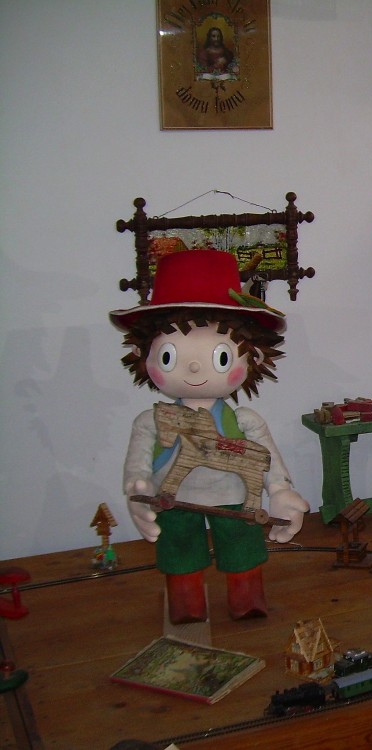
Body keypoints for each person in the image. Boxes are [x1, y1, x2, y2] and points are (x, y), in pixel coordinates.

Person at [109, 250, 309, 624]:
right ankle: (186, 603)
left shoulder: (246, 420)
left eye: (220, 357)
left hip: (234, 497)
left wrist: (280, 491)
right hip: (173, 501)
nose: (194, 367)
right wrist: (137, 490)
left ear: (253, 358)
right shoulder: (150, 422)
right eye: (169, 357)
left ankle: (247, 598)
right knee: (179, 551)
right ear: (142, 355)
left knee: (242, 546)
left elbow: (267, 459)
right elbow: (137, 467)